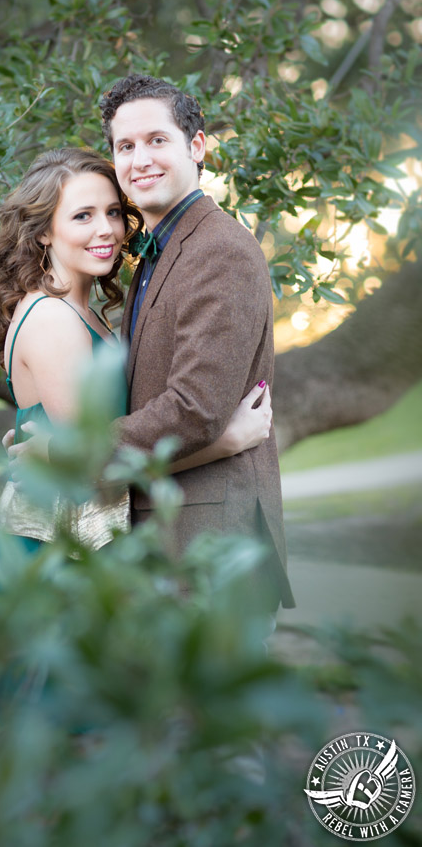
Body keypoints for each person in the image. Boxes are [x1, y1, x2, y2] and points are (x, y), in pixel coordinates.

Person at [0, 147, 274, 590]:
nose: (106, 230)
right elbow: (90, 470)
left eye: (113, 212)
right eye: (82, 216)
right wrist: (224, 442)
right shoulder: (53, 320)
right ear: (43, 231)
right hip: (61, 552)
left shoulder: (79, 310)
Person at [98, 74, 294, 612]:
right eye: (125, 146)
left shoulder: (218, 250)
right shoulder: (161, 249)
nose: (140, 160)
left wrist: (75, 453)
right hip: (172, 542)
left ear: (197, 146)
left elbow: (194, 409)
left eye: (157, 140)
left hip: (212, 551)